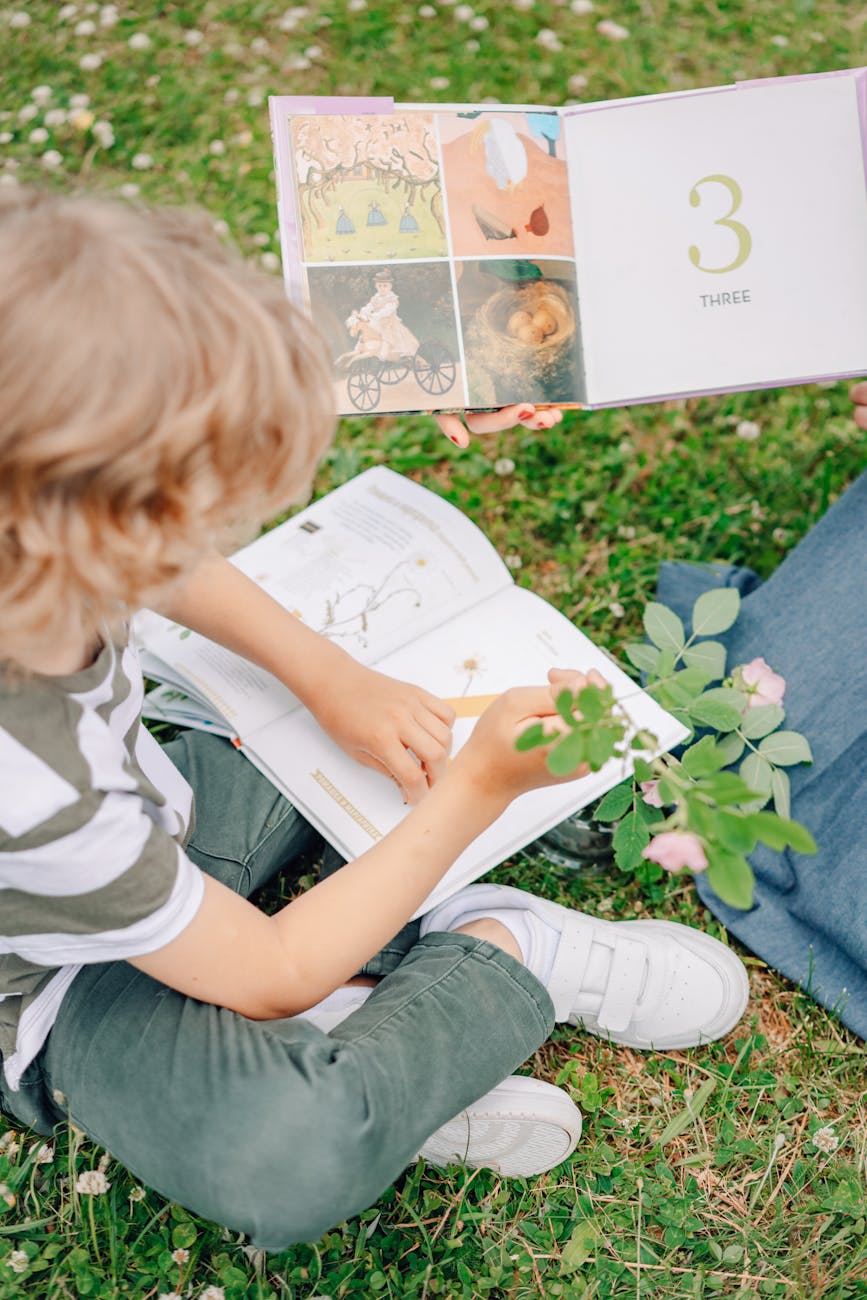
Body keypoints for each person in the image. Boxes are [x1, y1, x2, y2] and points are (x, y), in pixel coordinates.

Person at [0, 189, 748, 1250]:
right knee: (291, 1153)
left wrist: (326, 671)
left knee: (334, 719)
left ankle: (364, 1019)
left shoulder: (31, 516)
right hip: (49, 983)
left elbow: (169, 568)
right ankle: (502, 953)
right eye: (189, 514)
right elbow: (267, 975)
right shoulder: (39, 788)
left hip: (128, 836)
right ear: (92, 531)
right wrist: (479, 787)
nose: (206, 537)